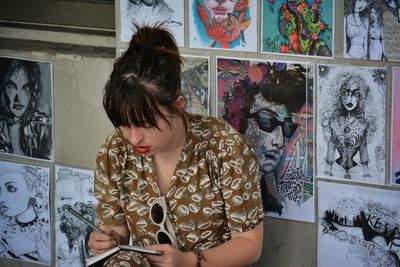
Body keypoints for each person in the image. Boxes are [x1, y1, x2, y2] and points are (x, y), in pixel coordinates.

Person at [88, 24, 264, 267]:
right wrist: (107, 240)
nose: (133, 138)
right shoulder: (114, 151)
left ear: (179, 105)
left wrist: (188, 261)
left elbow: (250, 245)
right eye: (123, 124)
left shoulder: (225, 148)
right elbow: (118, 233)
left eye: (145, 124)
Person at [238, 63, 308, 216]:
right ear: (241, 121)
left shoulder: (274, 203)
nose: (279, 141)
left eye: (288, 128)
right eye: (267, 121)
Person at [321, 71, 376, 179]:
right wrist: (328, 169)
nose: (349, 99)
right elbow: (331, 146)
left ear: (360, 96)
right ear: (339, 94)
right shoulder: (334, 120)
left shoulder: (362, 123)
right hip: (335, 168)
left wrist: (366, 171)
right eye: (345, 93)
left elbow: (363, 147)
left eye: (355, 94)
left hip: (356, 169)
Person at [0, 58, 52, 160]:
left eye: (26, 87)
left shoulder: (42, 128)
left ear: (33, 90)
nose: (18, 98)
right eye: (11, 86)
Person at [0, 162, 50, 263]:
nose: (1, 198)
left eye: (11, 188)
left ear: (32, 189)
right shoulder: (3, 225)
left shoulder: (44, 233)